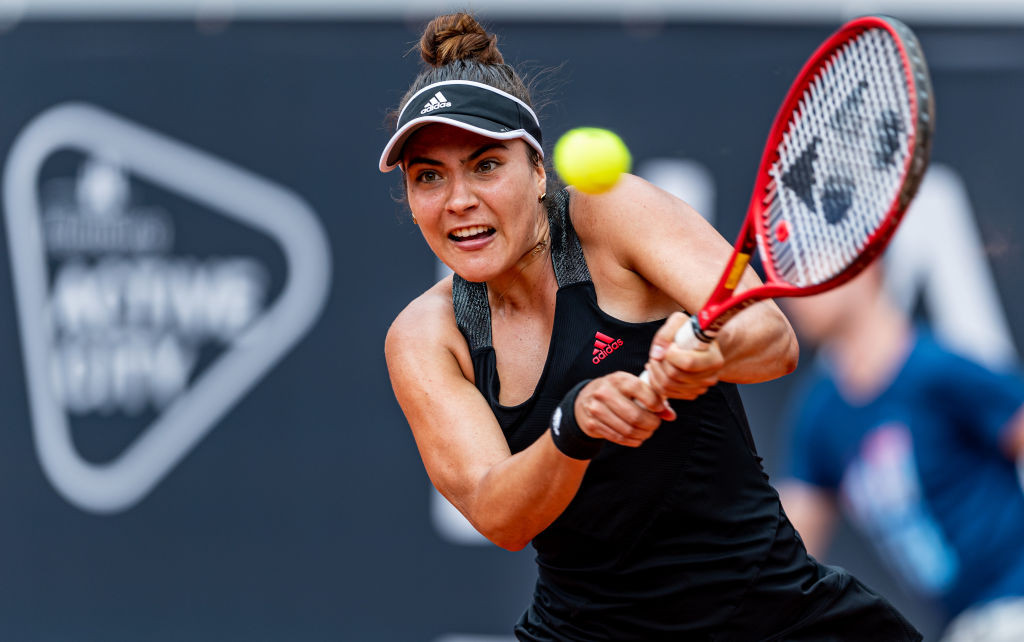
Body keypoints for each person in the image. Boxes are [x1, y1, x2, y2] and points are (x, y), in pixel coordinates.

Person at [382, 12, 921, 641]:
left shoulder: (612, 214)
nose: (458, 200)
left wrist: (712, 355)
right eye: (428, 176)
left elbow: (772, 341)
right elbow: (498, 514)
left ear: (537, 171)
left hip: (773, 618)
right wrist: (574, 426)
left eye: (485, 165)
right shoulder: (425, 337)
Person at [779, 261, 1024, 642]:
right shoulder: (820, 416)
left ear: (865, 266)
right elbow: (785, 548)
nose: (790, 292)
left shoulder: (937, 369)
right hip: (965, 622)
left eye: (807, 270)